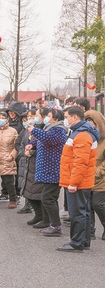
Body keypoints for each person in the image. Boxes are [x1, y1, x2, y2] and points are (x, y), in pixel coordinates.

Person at [58, 106, 100, 252]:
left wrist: (73, 183)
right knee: (84, 211)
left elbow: (80, 162)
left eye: (67, 116)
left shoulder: (82, 135)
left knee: (77, 212)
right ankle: (84, 241)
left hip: (78, 181)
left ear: (75, 117)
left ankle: (76, 242)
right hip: (83, 181)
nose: (66, 119)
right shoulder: (82, 132)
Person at [27, 108, 67, 235]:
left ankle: (56, 226)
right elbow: (43, 140)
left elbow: (49, 139)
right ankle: (52, 223)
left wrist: (34, 130)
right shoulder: (50, 129)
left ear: (56, 119)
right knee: (50, 198)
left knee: (47, 198)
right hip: (47, 170)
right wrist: (32, 144)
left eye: (48, 116)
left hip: (53, 170)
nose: (46, 118)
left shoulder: (59, 130)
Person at [86, 110, 105, 239]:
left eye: (92, 123)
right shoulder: (87, 138)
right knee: (87, 205)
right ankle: (90, 231)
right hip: (86, 177)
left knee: (97, 204)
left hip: (100, 178)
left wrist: (97, 172)